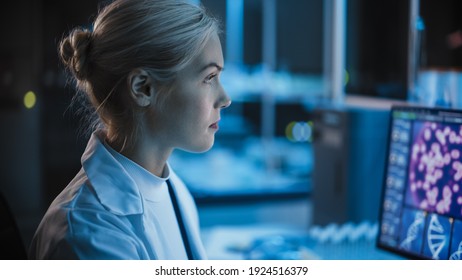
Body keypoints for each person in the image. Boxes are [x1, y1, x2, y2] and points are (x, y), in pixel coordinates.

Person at [29, 0, 231, 260]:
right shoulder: (88, 234)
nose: (225, 98)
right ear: (142, 88)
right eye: (209, 78)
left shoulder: (173, 189)